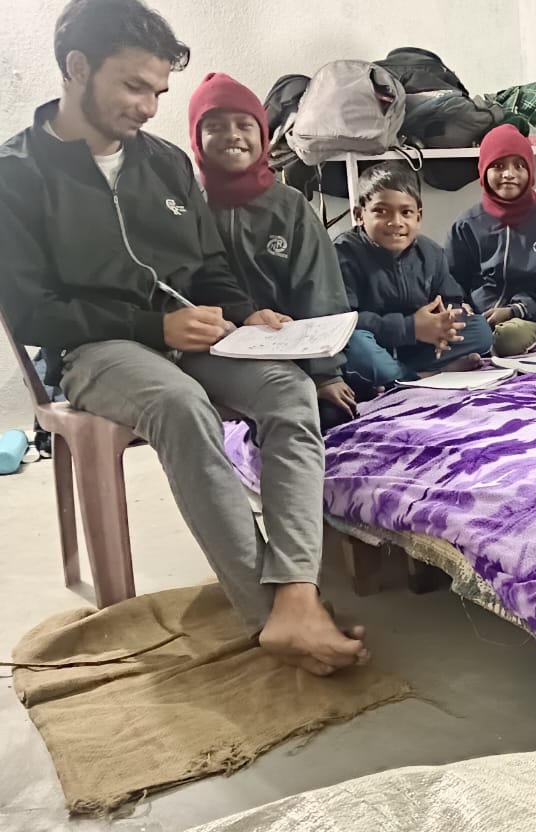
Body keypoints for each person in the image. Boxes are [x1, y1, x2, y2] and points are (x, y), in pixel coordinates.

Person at [0, 0, 366, 675]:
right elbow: (33, 313)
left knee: (287, 391)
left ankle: (295, 595)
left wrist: (242, 312)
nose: (148, 105)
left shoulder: (166, 165)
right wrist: (150, 326)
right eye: (133, 86)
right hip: (95, 351)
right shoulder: (17, 173)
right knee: (180, 405)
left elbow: (208, 265)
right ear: (76, 67)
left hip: (194, 333)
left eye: (158, 91)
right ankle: (269, 616)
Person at [187, 70, 363, 431]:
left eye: (244, 124)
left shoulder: (290, 206)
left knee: (332, 410)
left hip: (290, 352)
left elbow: (319, 289)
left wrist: (325, 374)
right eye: (215, 126)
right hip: (212, 354)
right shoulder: (186, 207)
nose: (232, 135)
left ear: (263, 134)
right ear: (196, 138)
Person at [334, 163, 492, 387]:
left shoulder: (431, 253)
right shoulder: (343, 254)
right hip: (375, 343)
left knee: (480, 330)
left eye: (405, 212)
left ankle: (402, 374)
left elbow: (450, 296)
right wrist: (409, 328)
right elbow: (343, 320)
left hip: (419, 346)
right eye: (381, 211)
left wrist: (445, 320)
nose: (396, 222)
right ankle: (422, 376)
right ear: (359, 215)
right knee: (354, 345)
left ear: (418, 217)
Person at [447, 124, 536, 357]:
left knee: (508, 339)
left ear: (530, 171)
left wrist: (515, 310)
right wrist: (460, 306)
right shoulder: (467, 224)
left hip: (529, 318)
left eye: (519, 165)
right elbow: (452, 282)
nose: (509, 174)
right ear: (483, 170)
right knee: (439, 337)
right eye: (498, 165)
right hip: (479, 319)